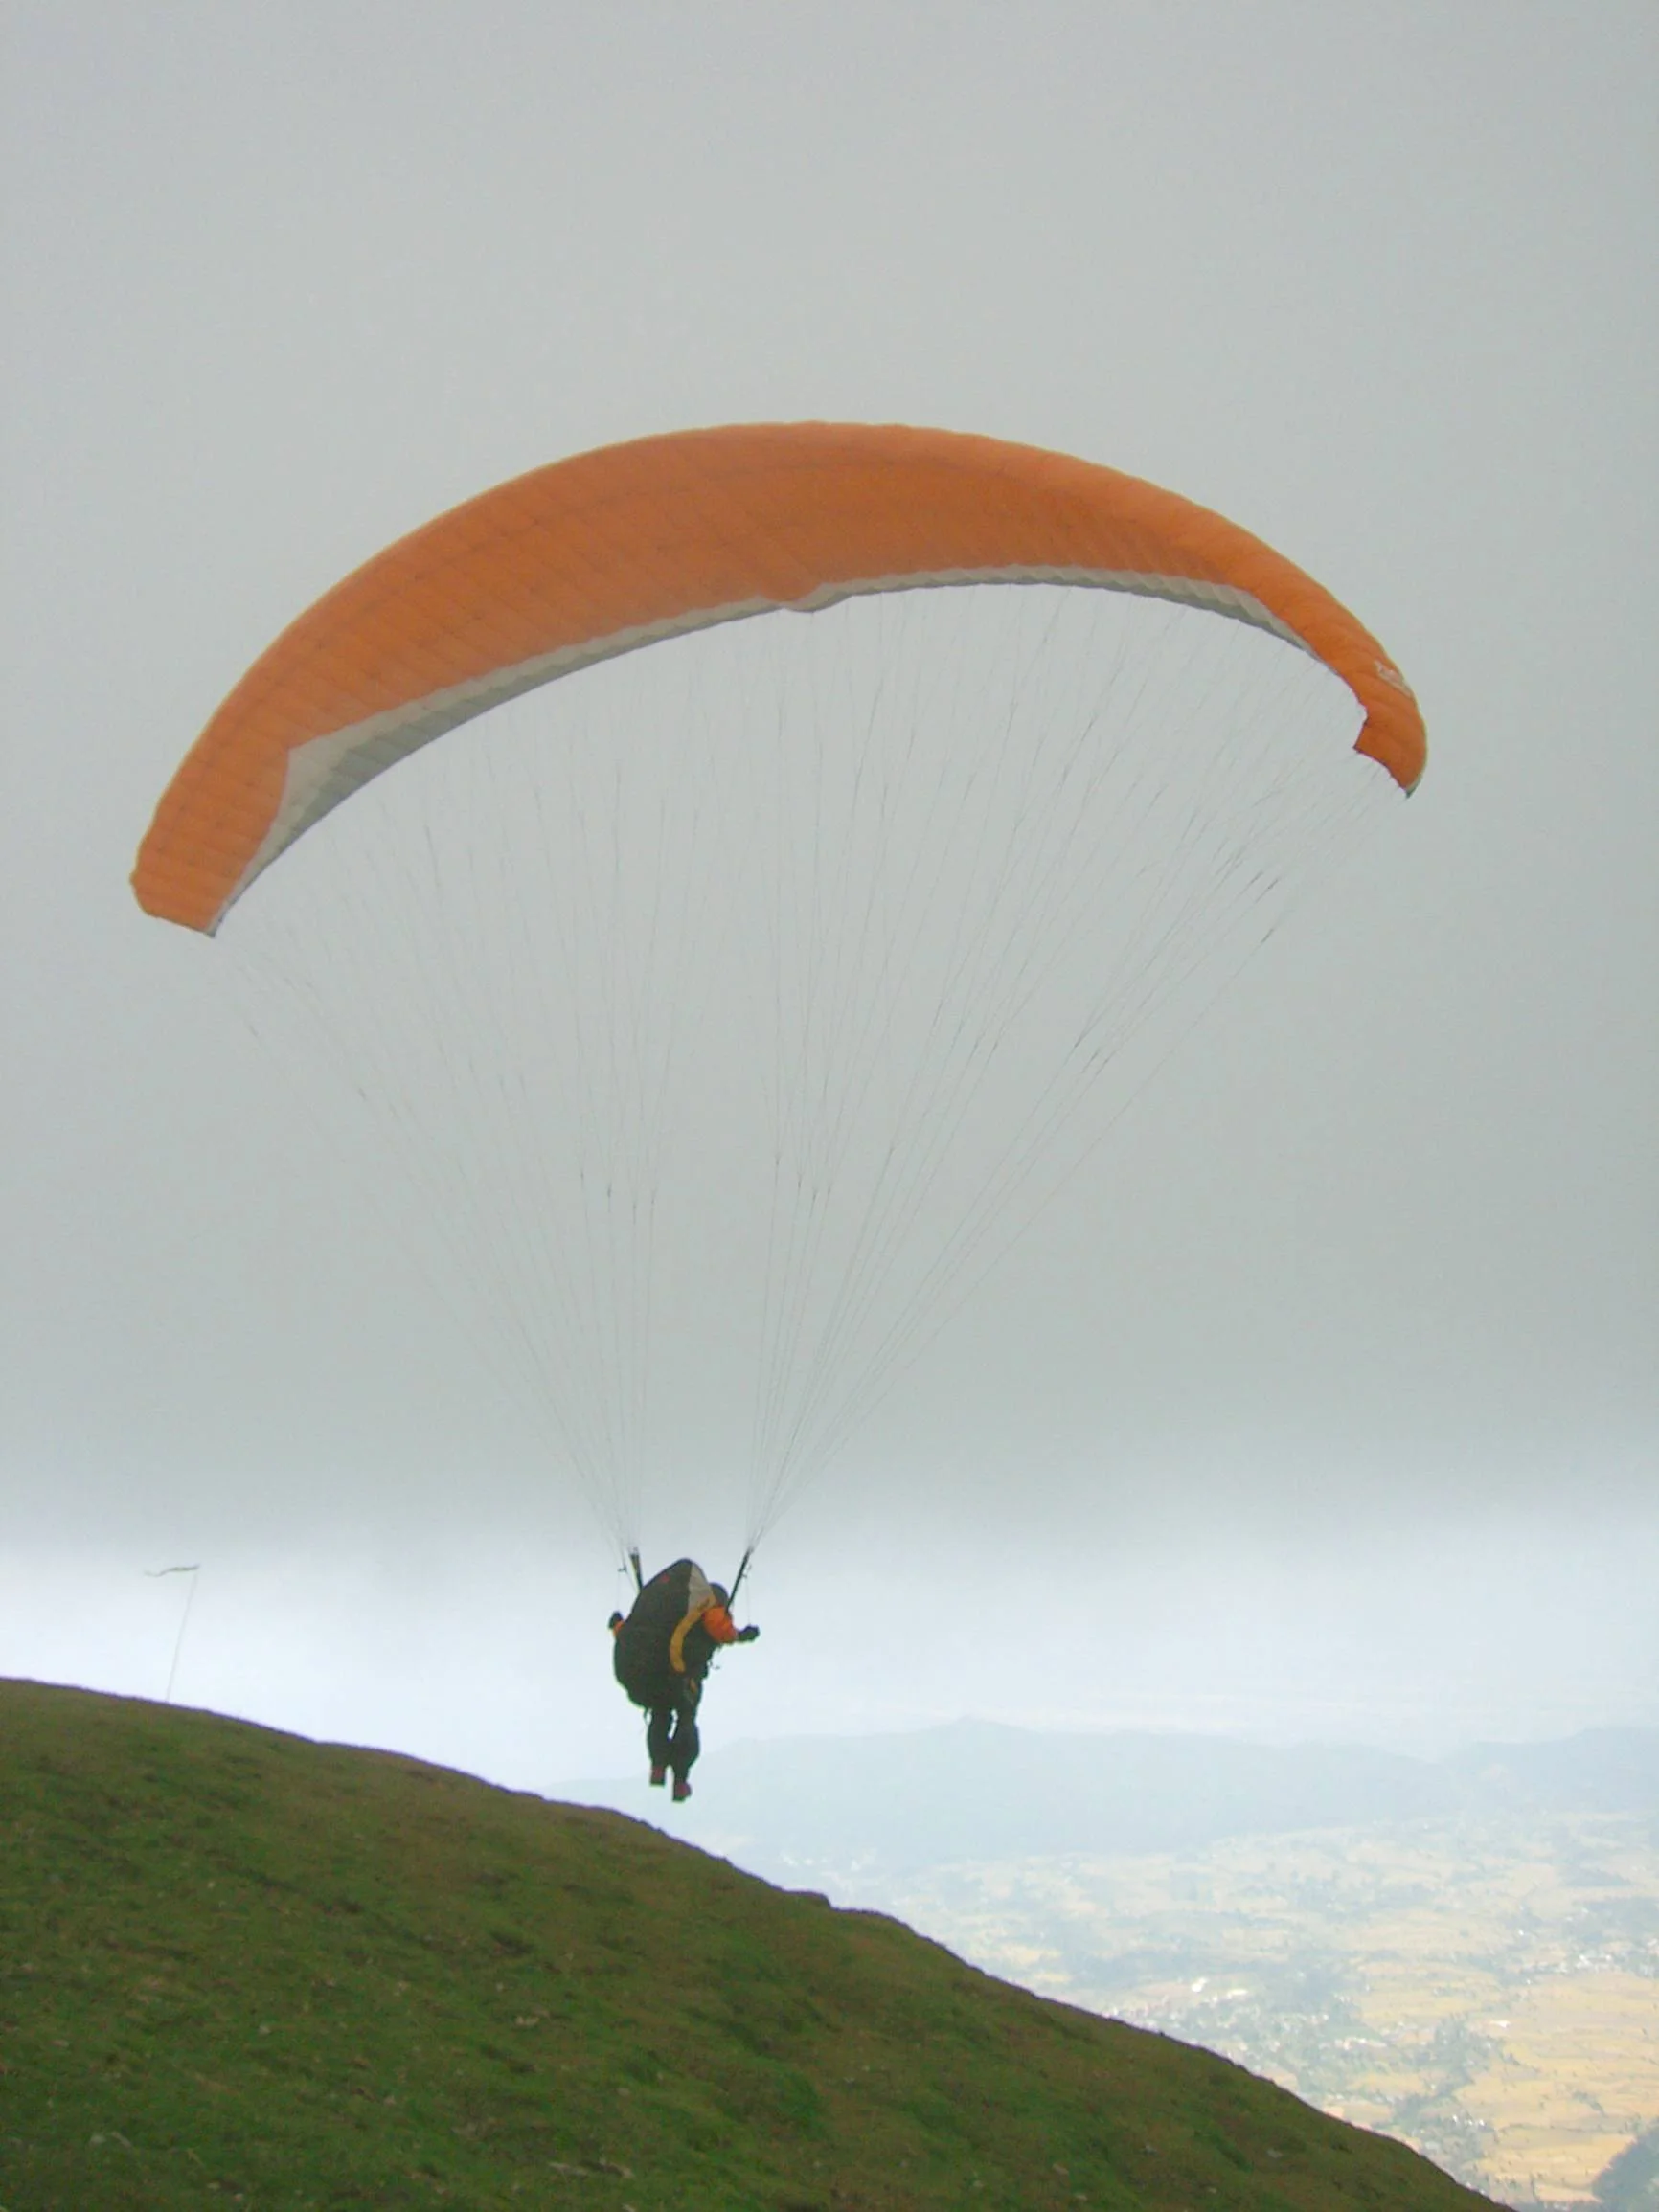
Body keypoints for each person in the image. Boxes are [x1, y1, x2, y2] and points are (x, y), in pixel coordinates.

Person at [608, 1557, 760, 1802]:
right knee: (686, 1718)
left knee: (660, 1713)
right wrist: (743, 1635)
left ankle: (657, 1767)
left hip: (642, 1674)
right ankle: (680, 1780)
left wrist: (615, 1624)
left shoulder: (668, 1607)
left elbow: (633, 1630)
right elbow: (721, 1629)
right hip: (677, 1676)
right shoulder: (708, 1603)